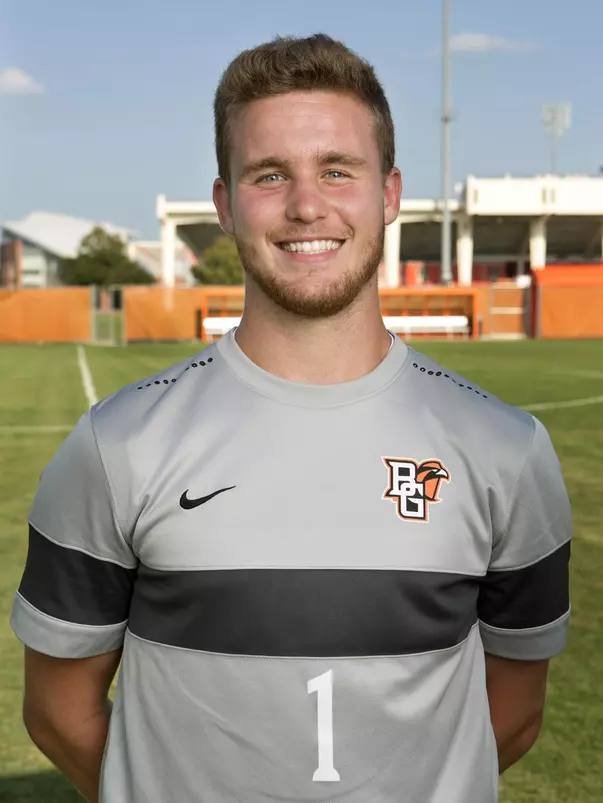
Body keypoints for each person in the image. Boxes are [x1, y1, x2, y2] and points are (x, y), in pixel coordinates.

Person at [10, 33, 572, 803]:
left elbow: (509, 714)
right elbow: (59, 712)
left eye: (338, 169)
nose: (307, 204)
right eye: (269, 174)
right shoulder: (116, 446)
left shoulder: (505, 449)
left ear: (390, 192)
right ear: (223, 202)